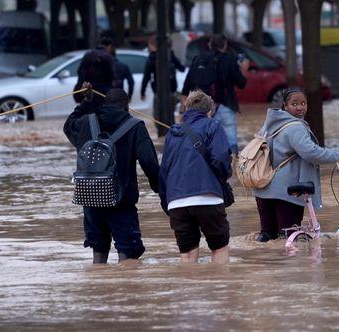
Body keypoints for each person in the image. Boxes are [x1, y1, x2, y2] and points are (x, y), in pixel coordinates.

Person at [63, 87, 160, 264]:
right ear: (126, 106)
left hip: (91, 200)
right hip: (122, 202)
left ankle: (100, 288)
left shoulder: (85, 123)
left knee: (98, 252)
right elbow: (150, 163)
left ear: (105, 103)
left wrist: (85, 103)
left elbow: (68, 125)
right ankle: (124, 289)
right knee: (128, 254)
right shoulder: (135, 127)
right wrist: (160, 189)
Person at [253, 87, 339, 242]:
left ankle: (264, 266)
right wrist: (338, 154)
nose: (300, 107)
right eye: (294, 104)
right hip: (287, 193)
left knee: (267, 239)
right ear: (285, 106)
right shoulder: (295, 127)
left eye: (303, 103)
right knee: (289, 240)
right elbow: (311, 153)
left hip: (263, 190)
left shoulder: (269, 124)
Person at [159, 90, 232, 264]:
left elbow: (164, 171)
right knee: (219, 248)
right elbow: (221, 160)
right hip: (208, 199)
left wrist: (167, 203)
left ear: (186, 109)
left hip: (176, 202)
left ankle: (191, 290)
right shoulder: (212, 126)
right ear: (209, 112)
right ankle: (220, 289)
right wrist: (223, 179)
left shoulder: (172, 132)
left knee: (188, 256)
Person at [181, 34, 249, 157]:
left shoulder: (198, 58)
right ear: (225, 44)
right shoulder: (229, 59)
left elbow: (187, 85)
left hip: (202, 107)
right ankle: (231, 168)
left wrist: (184, 110)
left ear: (209, 44)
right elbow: (241, 83)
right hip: (225, 104)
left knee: (204, 138)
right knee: (230, 140)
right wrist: (243, 70)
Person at [141, 35, 185, 136]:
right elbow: (181, 68)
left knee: (159, 115)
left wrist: (142, 91)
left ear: (153, 45)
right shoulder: (168, 56)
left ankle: (164, 133)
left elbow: (146, 76)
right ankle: (170, 134)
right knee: (170, 115)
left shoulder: (153, 58)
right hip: (170, 91)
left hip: (161, 92)